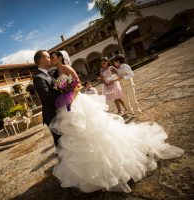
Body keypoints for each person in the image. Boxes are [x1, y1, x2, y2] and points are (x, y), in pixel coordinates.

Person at [48, 50, 184, 193]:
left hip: (76, 102)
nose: (51, 59)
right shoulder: (57, 70)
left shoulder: (66, 68)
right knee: (77, 135)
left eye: (53, 56)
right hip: (69, 104)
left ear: (60, 57)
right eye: (50, 57)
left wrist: (71, 98)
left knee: (94, 130)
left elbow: (78, 84)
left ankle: (111, 166)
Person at [32, 50, 60, 146]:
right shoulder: (38, 78)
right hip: (53, 116)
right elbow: (47, 98)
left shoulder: (49, 74)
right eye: (48, 57)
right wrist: (63, 92)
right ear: (42, 60)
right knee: (61, 143)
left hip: (59, 112)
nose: (51, 59)